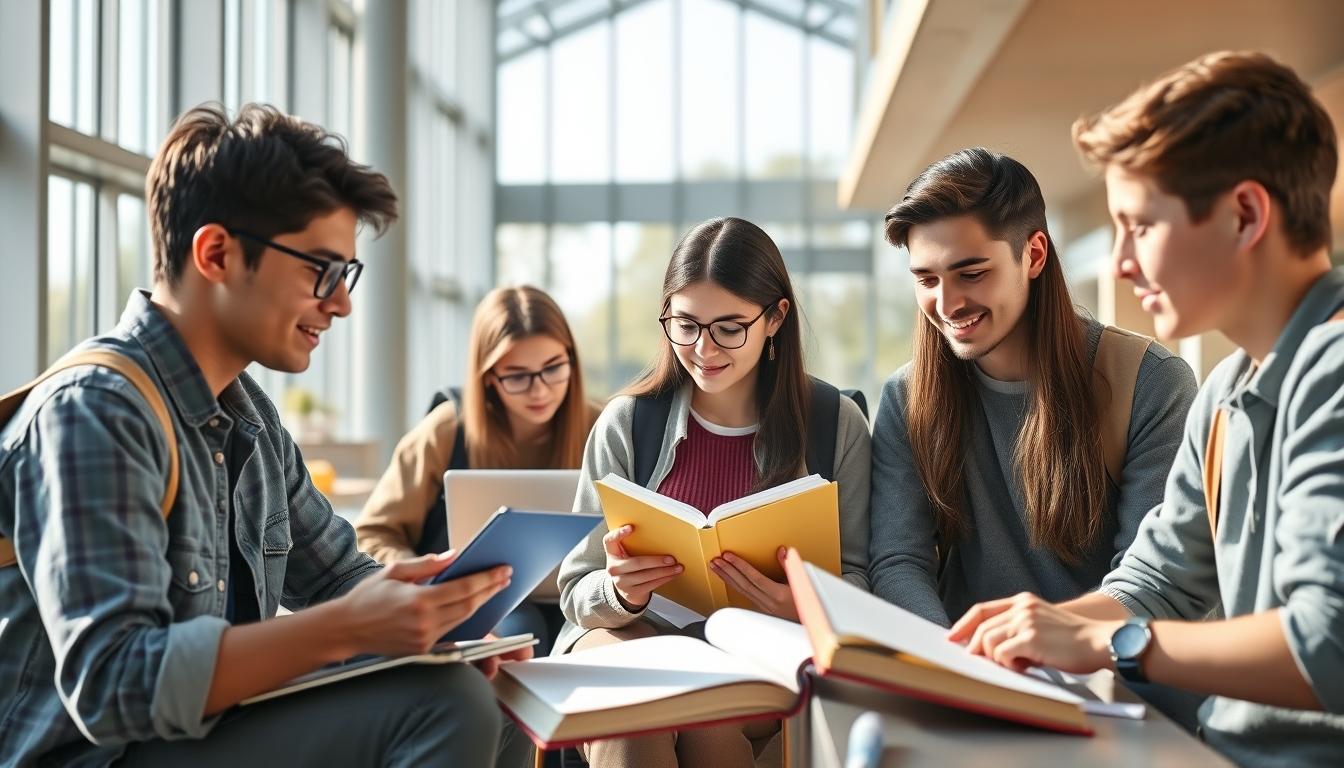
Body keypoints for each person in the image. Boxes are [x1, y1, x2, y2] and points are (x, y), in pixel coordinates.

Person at [0, 103, 524, 767]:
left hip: (199, 737)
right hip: (94, 755)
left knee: (488, 688)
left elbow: (339, 575)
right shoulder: (95, 412)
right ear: (216, 253)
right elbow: (112, 685)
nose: (341, 304)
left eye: (347, 276)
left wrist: (448, 618)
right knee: (446, 703)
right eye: (321, 271)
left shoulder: (249, 419)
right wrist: (349, 629)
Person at [947, 51, 1344, 766]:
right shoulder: (1225, 392)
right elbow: (1159, 581)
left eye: (1141, 226)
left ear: (1245, 215)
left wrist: (1108, 641)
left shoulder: (1335, 372)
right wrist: (1015, 635)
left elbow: (1331, 642)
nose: (1121, 263)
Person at [555, 216, 872, 767]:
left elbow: (863, 576)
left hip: (763, 648)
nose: (703, 348)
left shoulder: (834, 423)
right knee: (636, 710)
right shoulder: (626, 423)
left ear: (776, 318)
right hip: (631, 637)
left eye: (729, 327)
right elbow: (575, 590)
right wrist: (621, 592)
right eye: (685, 325)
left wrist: (802, 607)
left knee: (708, 721)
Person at [869, 147, 1197, 627]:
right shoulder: (907, 399)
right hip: (970, 678)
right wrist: (955, 665)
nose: (948, 303)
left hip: (1113, 683)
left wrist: (1040, 649)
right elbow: (898, 562)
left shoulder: (1150, 382)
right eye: (927, 279)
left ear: (1034, 255)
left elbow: (1153, 581)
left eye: (972, 273)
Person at [356, 284, 602, 653]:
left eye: (553, 368)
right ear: (488, 377)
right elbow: (373, 534)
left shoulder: (603, 426)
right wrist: (430, 577)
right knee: (521, 630)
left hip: (585, 594)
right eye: (517, 376)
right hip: (484, 604)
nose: (539, 391)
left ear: (572, 360)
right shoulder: (446, 430)